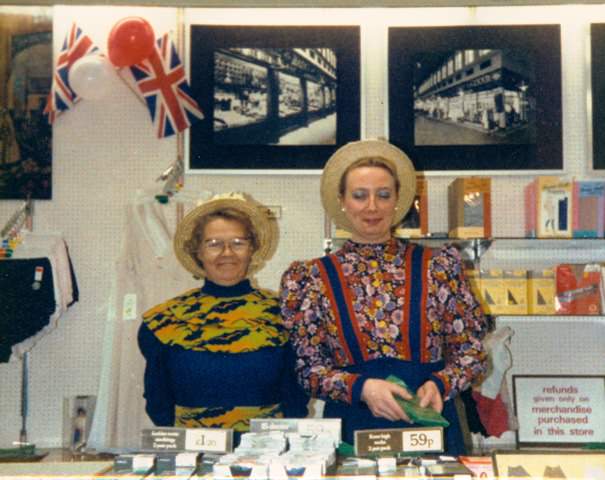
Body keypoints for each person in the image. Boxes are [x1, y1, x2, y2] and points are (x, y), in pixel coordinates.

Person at [280, 140, 488, 454]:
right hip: (352, 429)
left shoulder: (439, 267)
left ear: (398, 200)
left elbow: (473, 352)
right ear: (343, 201)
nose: (372, 206)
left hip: (430, 427)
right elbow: (306, 369)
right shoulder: (310, 279)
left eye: (384, 195)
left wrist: (441, 383)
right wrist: (361, 388)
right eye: (360, 195)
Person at [138, 192, 307, 440]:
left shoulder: (285, 316)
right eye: (214, 243)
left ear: (252, 249)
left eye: (238, 242)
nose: (227, 253)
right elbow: (157, 401)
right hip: (193, 458)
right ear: (198, 251)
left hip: (266, 455)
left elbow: (296, 397)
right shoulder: (162, 322)